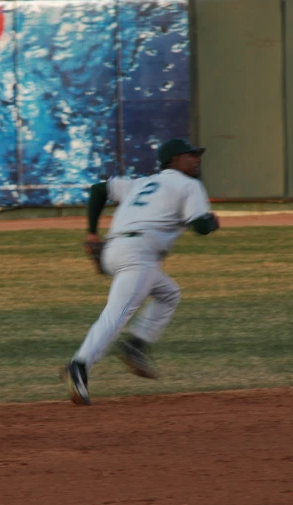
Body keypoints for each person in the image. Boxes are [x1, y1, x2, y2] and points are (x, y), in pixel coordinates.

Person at [61, 137, 221, 405]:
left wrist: (91, 232)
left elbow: (99, 189)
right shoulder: (189, 185)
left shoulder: (142, 183)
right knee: (118, 313)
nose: (197, 160)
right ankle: (79, 366)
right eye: (190, 156)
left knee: (169, 294)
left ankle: (135, 346)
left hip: (115, 250)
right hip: (139, 255)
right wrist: (212, 221)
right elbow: (202, 228)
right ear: (174, 160)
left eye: (197, 156)